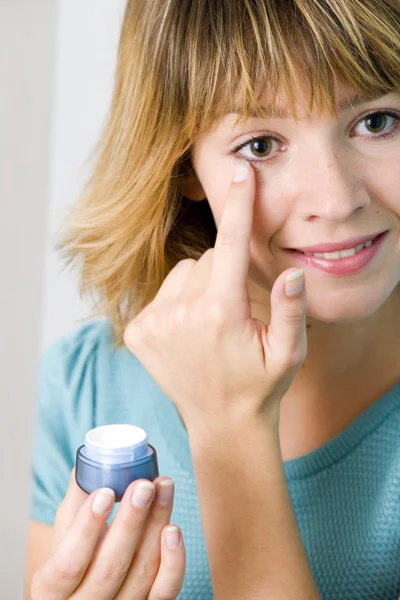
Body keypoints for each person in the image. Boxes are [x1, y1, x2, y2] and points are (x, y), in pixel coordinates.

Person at [24, 0, 400, 598]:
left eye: (377, 122)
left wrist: (231, 428)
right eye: (260, 145)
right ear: (183, 167)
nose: (336, 199)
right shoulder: (85, 384)